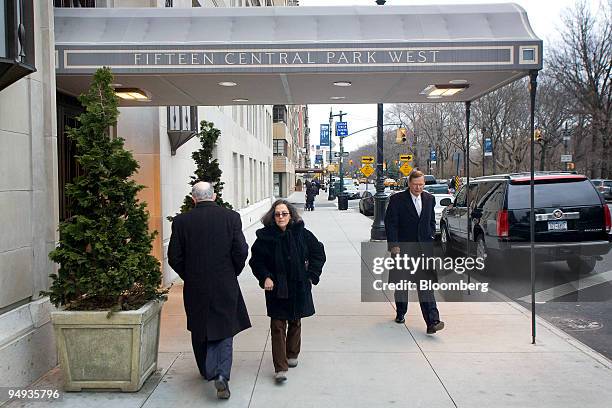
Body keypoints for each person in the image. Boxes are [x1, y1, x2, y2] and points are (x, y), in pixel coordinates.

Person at [168, 181, 250, 399]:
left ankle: (207, 371)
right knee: (225, 327)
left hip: (196, 285)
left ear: (194, 198)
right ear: (214, 196)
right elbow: (241, 250)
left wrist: (190, 275)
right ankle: (221, 373)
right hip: (225, 282)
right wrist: (233, 271)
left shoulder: (181, 221)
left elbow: (174, 257)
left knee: (199, 326)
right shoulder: (230, 218)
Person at [249, 200, 326, 383]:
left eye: (284, 213)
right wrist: (265, 277)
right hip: (276, 287)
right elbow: (256, 261)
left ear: (291, 215)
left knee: (295, 320)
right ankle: (280, 367)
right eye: (277, 214)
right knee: (277, 325)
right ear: (272, 216)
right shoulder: (265, 237)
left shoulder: (303, 234)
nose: (281, 217)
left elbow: (318, 253)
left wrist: (311, 275)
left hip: (299, 284)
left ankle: (292, 354)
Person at [384, 170, 445, 334]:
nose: (418, 187)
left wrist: (431, 235)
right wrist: (394, 245)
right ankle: (401, 311)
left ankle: (433, 321)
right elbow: (391, 224)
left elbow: (431, 221)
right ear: (409, 183)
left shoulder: (429, 199)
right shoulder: (397, 200)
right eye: (415, 184)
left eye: (421, 184)